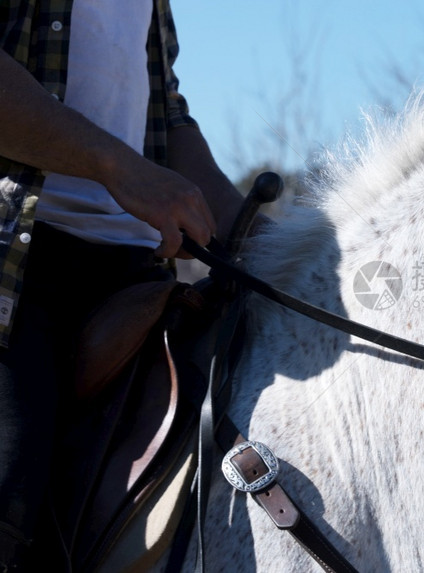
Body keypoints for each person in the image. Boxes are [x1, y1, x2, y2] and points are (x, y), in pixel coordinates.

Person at [0, 1, 247, 568]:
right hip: (12, 265)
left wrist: (263, 241)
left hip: (132, 280)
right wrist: (122, 170)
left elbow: (167, 114)